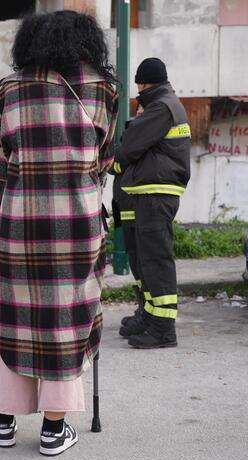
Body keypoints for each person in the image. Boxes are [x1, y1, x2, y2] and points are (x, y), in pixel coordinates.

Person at [0, 11, 118, 456]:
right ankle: (53, 429)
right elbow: (103, 161)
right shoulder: (103, 89)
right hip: (77, 225)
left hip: (19, 223)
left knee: (16, 317)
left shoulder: (10, 88)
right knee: (67, 320)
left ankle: (3, 421)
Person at [114, 58, 191, 349]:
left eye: (140, 84)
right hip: (144, 190)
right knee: (143, 257)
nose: (138, 89)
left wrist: (117, 157)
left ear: (148, 83)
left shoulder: (162, 106)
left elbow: (131, 144)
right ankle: (149, 314)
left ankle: (163, 328)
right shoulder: (158, 104)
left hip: (156, 192)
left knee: (156, 259)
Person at [111, 108, 147, 336]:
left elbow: (120, 162)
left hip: (138, 209)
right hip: (126, 210)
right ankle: (143, 309)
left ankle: (147, 313)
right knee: (137, 265)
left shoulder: (144, 136)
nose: (140, 112)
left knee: (145, 266)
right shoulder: (131, 133)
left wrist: (116, 157)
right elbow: (116, 163)